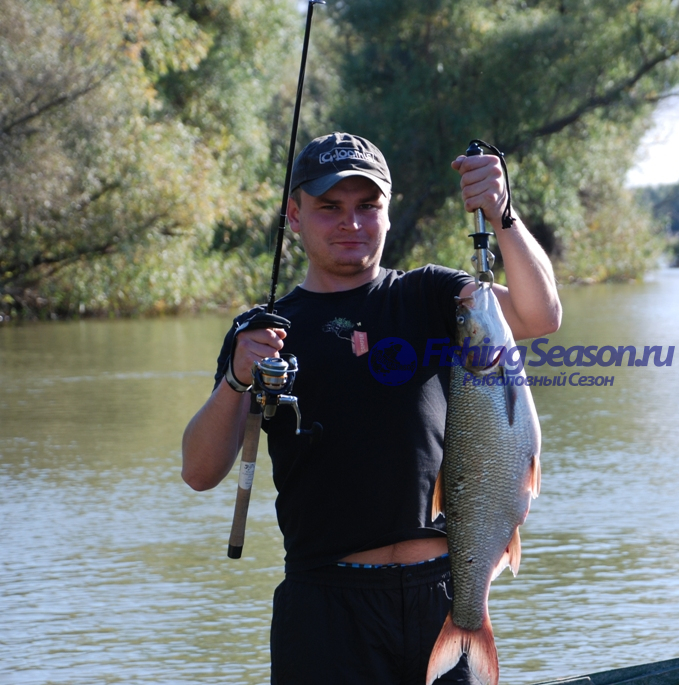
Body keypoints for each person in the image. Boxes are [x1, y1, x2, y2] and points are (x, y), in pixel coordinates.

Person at [180, 131, 561, 684]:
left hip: (444, 592)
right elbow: (199, 471)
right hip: (324, 609)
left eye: (367, 206)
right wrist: (238, 378)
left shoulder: (431, 295)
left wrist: (502, 215)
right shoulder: (262, 334)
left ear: (387, 212)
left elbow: (539, 316)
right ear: (294, 215)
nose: (351, 223)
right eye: (329, 207)